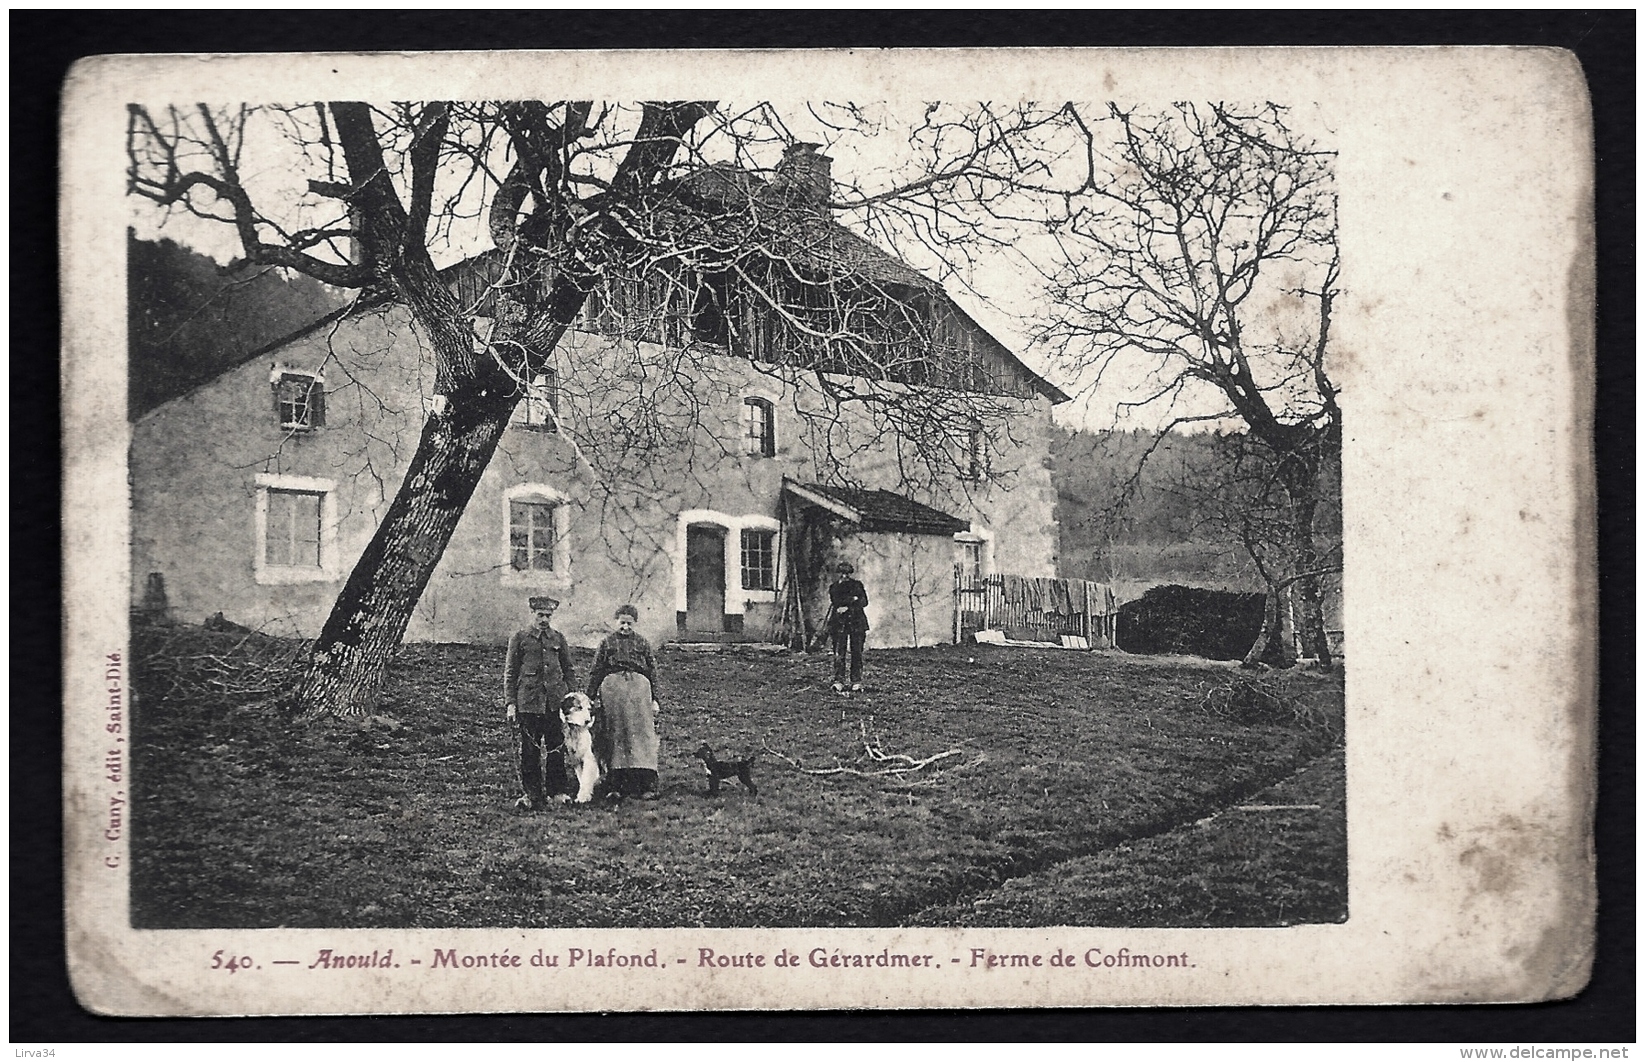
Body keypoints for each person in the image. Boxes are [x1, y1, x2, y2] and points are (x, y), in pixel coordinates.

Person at [503, 595, 576, 810]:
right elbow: (510, 673)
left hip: (554, 704)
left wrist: (572, 697)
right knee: (530, 750)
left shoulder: (558, 639)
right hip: (529, 703)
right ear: (532, 614)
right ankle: (532, 794)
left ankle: (557, 792)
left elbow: (568, 669)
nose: (544, 619)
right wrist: (510, 703)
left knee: (556, 748)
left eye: (548, 615)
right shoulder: (520, 638)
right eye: (540, 615)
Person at [587, 604, 661, 801]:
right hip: (613, 692)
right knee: (615, 733)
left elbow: (652, 671)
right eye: (622, 623)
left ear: (634, 623)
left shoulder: (643, 643)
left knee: (641, 734)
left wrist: (655, 699)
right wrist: (590, 696)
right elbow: (596, 670)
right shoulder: (606, 643)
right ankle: (615, 784)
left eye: (629, 623)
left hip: (639, 691)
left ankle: (646, 783)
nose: (625, 627)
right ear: (615, 622)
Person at [827, 560, 870, 693]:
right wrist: (853, 599)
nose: (844, 576)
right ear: (838, 574)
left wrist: (849, 605)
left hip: (857, 623)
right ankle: (838, 681)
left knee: (857, 652)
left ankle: (856, 681)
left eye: (847, 574)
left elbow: (864, 601)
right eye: (841, 573)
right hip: (839, 624)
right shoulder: (834, 587)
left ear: (850, 574)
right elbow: (836, 602)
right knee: (839, 653)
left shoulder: (857, 585)